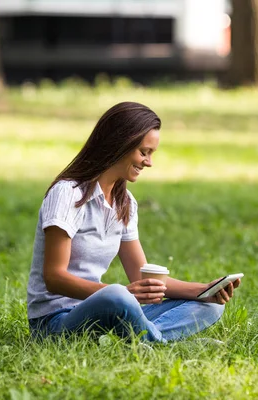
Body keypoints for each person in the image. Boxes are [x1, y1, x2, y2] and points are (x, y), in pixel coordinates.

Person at [26, 101, 240, 343]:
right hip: (55, 322)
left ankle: (144, 339)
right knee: (116, 295)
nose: (148, 162)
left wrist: (203, 291)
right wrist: (121, 295)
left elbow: (141, 280)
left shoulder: (124, 202)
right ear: (120, 144)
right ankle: (156, 341)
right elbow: (54, 278)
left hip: (109, 313)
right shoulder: (68, 194)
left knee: (211, 307)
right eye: (143, 152)